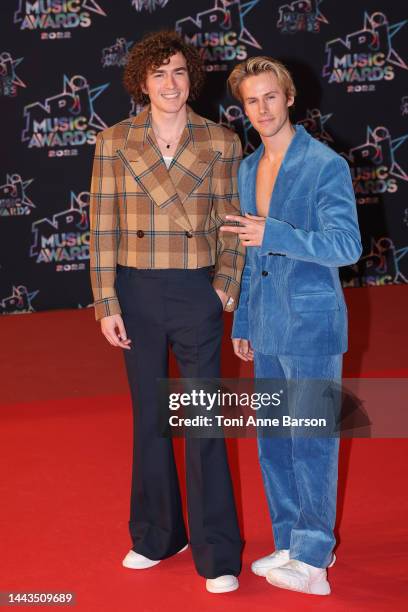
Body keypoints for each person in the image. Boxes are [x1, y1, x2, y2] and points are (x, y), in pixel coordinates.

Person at [89, 30, 245, 594]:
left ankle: (218, 552)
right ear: (141, 82)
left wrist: (224, 289)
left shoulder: (223, 141)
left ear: (191, 77)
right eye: (158, 74)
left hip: (195, 291)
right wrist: (106, 301)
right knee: (152, 421)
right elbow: (101, 227)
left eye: (178, 72)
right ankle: (157, 535)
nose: (170, 83)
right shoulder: (113, 141)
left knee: (203, 420)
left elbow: (232, 224)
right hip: (135, 291)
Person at [221, 56, 362, 595]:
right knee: (274, 441)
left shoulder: (324, 165)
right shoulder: (247, 167)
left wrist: (274, 232)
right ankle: (287, 540)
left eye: (270, 97)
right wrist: (245, 318)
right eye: (251, 101)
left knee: (313, 442)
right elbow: (250, 252)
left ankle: (313, 558)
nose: (262, 109)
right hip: (269, 325)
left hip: (312, 322)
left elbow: (345, 246)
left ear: (289, 98)